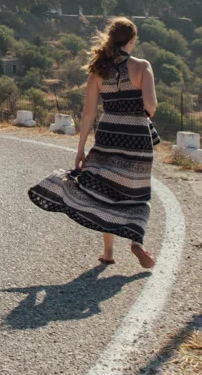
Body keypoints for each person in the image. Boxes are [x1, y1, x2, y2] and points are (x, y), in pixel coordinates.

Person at [28, 17, 157, 268]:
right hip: (137, 137)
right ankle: (137, 242)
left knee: (104, 191)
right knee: (137, 193)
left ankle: (108, 253)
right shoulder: (142, 66)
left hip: (108, 134)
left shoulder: (99, 69)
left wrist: (80, 149)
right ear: (132, 40)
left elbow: (88, 113)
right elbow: (151, 106)